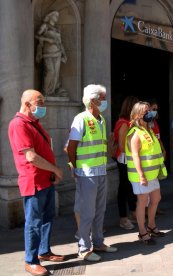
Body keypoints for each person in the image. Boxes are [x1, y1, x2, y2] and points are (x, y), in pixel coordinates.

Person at [8, 90, 64, 276]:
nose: (42, 105)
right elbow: (31, 157)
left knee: (47, 218)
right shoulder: (19, 124)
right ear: (26, 103)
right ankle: (30, 261)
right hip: (33, 181)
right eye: (39, 102)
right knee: (33, 222)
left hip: (44, 180)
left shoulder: (33, 123)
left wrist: (51, 171)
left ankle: (44, 251)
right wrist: (55, 169)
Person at [67, 84, 117, 262]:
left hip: (101, 171)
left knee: (100, 210)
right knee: (87, 212)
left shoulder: (101, 120)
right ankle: (84, 248)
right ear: (93, 100)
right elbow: (70, 147)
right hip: (86, 173)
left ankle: (98, 242)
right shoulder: (81, 119)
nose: (105, 101)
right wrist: (75, 167)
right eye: (102, 98)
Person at [126, 101, 167, 245]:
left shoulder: (148, 130)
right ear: (137, 115)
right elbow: (135, 156)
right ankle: (142, 232)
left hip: (152, 174)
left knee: (156, 199)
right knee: (142, 203)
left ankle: (151, 225)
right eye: (146, 111)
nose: (150, 113)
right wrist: (142, 175)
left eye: (149, 110)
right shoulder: (135, 132)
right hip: (141, 176)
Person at [113, 96, 139, 230]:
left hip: (130, 160)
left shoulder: (130, 123)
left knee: (130, 188)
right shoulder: (123, 123)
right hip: (125, 160)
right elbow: (123, 146)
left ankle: (132, 214)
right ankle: (123, 218)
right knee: (124, 188)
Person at [35, 11, 67, 96]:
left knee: (56, 74)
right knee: (50, 71)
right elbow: (37, 36)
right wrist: (47, 40)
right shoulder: (45, 26)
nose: (57, 17)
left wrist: (64, 54)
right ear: (50, 16)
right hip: (47, 52)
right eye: (55, 16)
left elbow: (60, 43)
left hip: (58, 52)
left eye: (57, 16)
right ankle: (45, 91)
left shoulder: (57, 29)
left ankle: (52, 92)